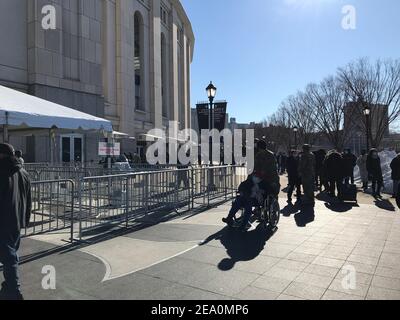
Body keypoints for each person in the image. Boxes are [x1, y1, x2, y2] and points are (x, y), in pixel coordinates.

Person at [222, 139, 280, 231]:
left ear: (259, 147)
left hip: (265, 181)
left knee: (247, 201)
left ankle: (240, 222)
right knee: (240, 199)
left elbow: (267, 169)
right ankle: (230, 218)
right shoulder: (266, 155)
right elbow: (260, 168)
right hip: (261, 179)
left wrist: (259, 175)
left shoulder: (265, 156)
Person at [0, 143, 31, 300]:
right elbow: (28, 199)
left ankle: (13, 290)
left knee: (9, 257)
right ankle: (9, 288)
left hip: (3, 222)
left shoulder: (3, 172)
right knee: (10, 256)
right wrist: (25, 219)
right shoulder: (24, 172)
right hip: (16, 221)